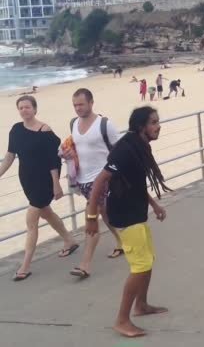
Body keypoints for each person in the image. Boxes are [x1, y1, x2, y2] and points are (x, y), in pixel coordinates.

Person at [86, 106, 171, 338]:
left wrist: (154, 205)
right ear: (141, 126)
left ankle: (141, 305)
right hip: (125, 214)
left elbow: (136, 182)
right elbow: (100, 181)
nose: (158, 126)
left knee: (147, 260)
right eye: (153, 122)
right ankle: (122, 320)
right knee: (140, 265)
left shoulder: (140, 145)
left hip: (137, 211)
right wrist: (91, 217)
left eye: (158, 121)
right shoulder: (125, 149)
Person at [0, 96, 78, 281]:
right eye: (21, 107)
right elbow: (9, 157)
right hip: (27, 180)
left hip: (44, 181)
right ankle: (70, 240)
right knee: (47, 212)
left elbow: (53, 161)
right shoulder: (16, 130)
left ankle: (25, 266)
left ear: (35, 109)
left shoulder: (45, 131)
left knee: (31, 221)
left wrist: (56, 184)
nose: (24, 110)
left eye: (27, 107)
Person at [63, 89, 124, 279]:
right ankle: (124, 242)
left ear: (91, 103)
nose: (78, 108)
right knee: (106, 215)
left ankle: (85, 265)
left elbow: (120, 151)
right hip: (83, 180)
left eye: (81, 104)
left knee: (91, 220)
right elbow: (76, 147)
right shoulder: (73, 123)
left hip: (102, 179)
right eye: (75, 105)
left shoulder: (105, 125)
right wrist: (69, 156)